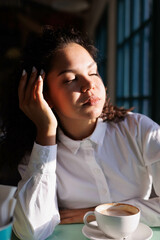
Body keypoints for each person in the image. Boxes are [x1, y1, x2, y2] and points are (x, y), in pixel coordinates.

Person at [1, 25, 160, 240]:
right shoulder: (37, 153)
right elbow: (31, 232)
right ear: (43, 95)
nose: (89, 85)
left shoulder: (140, 130)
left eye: (93, 72)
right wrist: (46, 132)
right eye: (70, 79)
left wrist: (98, 212)